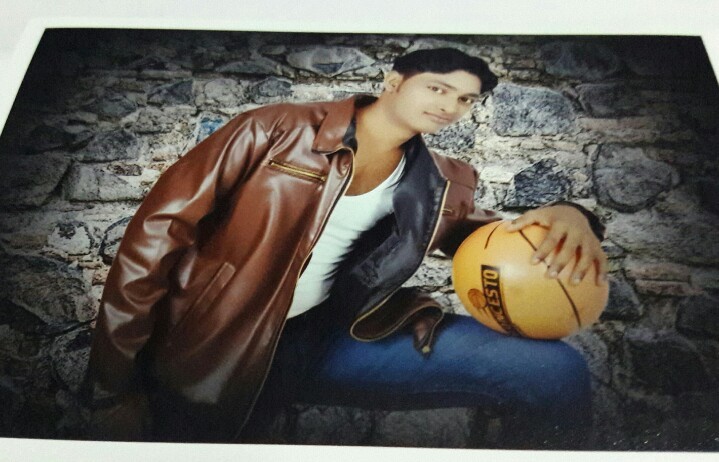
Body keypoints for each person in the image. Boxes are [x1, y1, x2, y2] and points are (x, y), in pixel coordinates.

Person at [84, 48, 608, 446]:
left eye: (466, 99)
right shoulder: (276, 128)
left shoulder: (440, 181)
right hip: (218, 346)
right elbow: (155, 237)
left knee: (553, 371)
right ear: (393, 82)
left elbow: (491, 239)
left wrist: (574, 216)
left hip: (336, 338)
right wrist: (111, 386)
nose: (451, 106)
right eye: (438, 89)